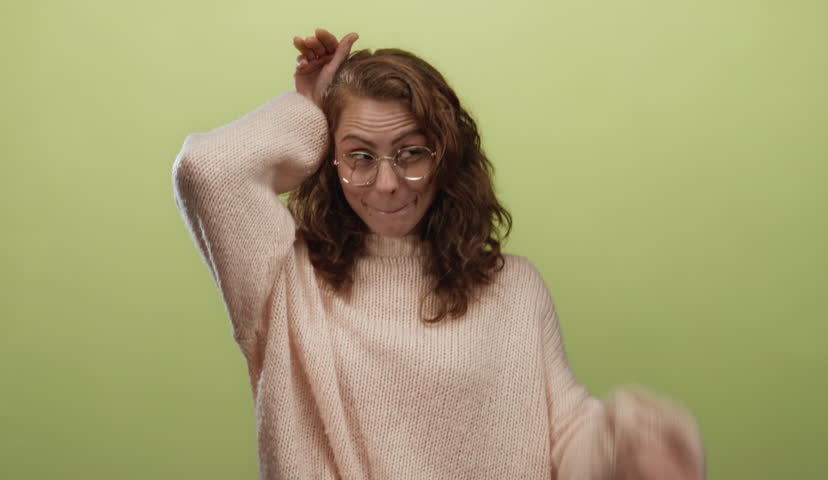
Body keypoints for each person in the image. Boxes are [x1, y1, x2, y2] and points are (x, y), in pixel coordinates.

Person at [171, 28, 705, 479]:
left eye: (411, 153)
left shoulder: (513, 287)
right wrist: (313, 110)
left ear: (445, 153)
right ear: (327, 162)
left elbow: (563, 438)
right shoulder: (284, 283)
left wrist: (625, 443)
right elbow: (208, 171)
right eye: (358, 156)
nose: (385, 184)